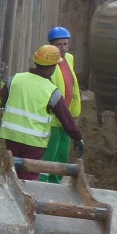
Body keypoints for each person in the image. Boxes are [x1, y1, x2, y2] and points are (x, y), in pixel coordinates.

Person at [0, 45, 85, 180]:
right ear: (53, 67)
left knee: (10, 172)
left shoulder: (16, 79)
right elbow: (65, 117)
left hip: (12, 137)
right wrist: (77, 137)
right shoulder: (51, 90)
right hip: (34, 142)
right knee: (29, 178)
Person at [40, 26, 81, 183]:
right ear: (51, 45)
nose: (63, 48)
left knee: (62, 157)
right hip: (54, 119)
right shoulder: (48, 63)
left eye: (65, 44)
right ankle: (43, 184)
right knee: (50, 156)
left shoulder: (69, 59)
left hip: (67, 118)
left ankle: (56, 185)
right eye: (59, 44)